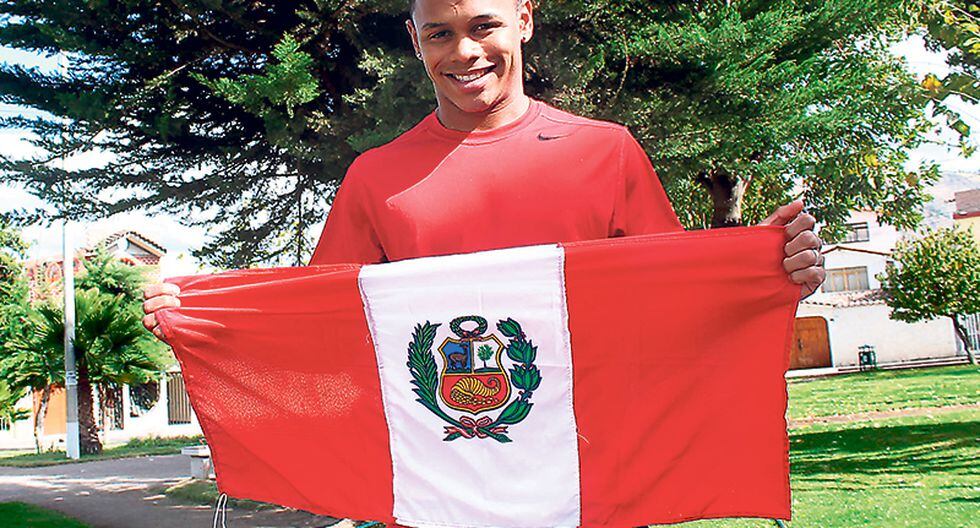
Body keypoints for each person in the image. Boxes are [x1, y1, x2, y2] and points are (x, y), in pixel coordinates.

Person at [143, 0, 825, 350]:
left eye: (484, 26)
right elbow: (320, 328)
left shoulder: (606, 152)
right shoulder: (376, 179)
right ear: (415, 41)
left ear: (524, 20)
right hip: (442, 492)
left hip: (591, 485)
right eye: (439, 32)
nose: (464, 51)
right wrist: (205, 323)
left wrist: (766, 269)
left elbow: (677, 307)